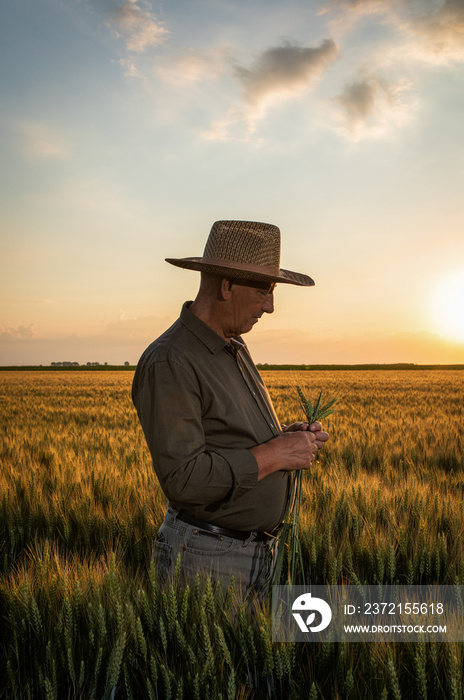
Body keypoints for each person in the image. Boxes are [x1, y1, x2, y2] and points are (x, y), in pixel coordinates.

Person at [132, 220, 329, 593]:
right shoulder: (171, 360)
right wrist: (273, 453)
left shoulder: (233, 346)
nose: (270, 307)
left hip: (251, 556)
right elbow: (183, 480)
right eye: (264, 291)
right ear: (227, 286)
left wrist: (284, 440)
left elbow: (229, 438)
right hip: (207, 561)